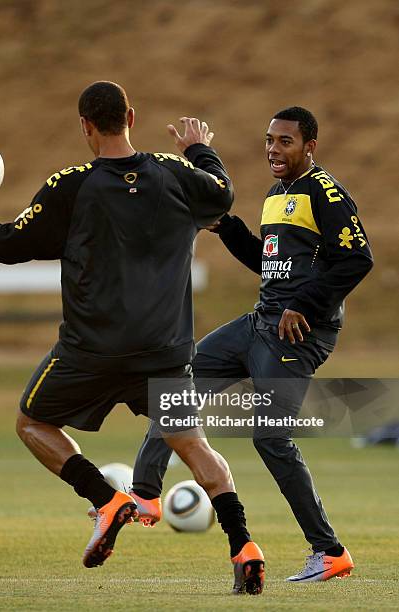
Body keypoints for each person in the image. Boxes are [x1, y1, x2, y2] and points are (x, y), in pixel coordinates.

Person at [0, 81, 265, 595]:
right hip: (164, 349)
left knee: (32, 421)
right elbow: (222, 190)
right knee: (192, 445)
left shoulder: (70, 186)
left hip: (93, 350)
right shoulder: (177, 174)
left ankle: (106, 499)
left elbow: (3, 244)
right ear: (132, 117)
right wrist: (198, 148)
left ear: (85, 126)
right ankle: (245, 545)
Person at [131, 106, 374, 583]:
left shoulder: (325, 193)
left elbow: (357, 260)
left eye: (285, 141)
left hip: (298, 332)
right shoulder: (276, 194)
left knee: (270, 437)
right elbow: (268, 264)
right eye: (269, 140)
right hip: (261, 321)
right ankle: (143, 494)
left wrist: (303, 305)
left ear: (310, 147)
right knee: (179, 387)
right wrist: (228, 227)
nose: (273, 149)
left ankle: (329, 552)